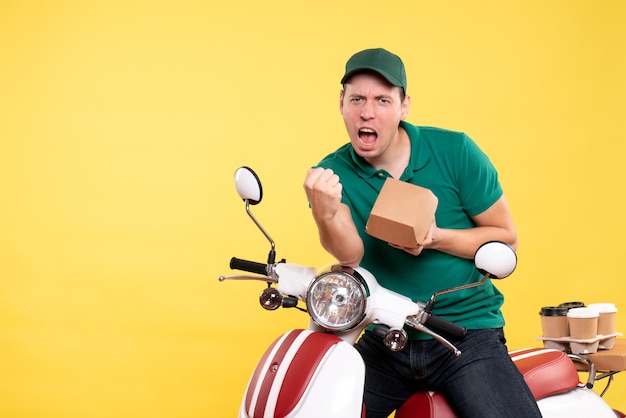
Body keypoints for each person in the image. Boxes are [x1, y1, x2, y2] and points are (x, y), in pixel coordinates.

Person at [303, 48, 542, 418]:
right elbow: (349, 257)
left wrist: (434, 237)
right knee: (319, 407)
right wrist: (325, 213)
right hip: (385, 335)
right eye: (358, 99)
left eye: (383, 100)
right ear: (342, 103)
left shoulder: (455, 151)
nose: (368, 112)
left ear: (404, 106)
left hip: (463, 334)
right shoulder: (332, 174)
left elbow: (505, 238)